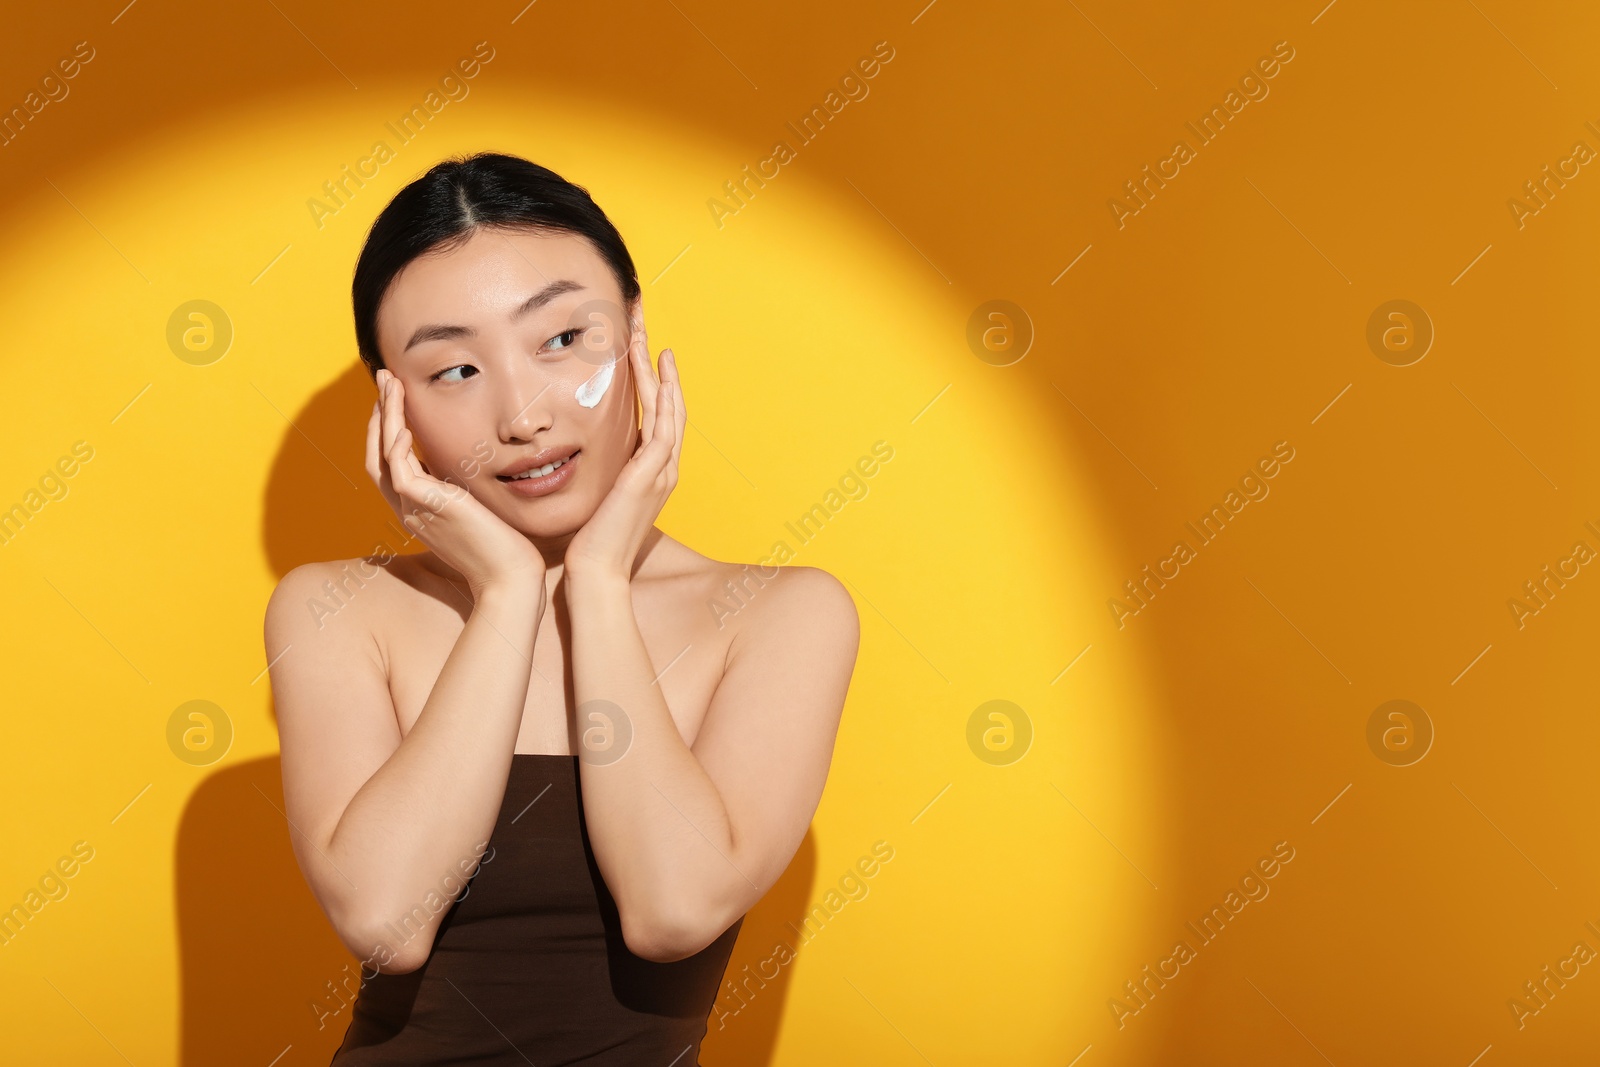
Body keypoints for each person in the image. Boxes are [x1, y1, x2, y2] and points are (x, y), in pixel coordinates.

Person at [262, 151, 860, 1064]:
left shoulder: (778, 615)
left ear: (632, 330)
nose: (524, 414)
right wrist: (505, 589)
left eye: (561, 340)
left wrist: (597, 582)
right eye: (455, 370)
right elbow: (387, 922)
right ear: (395, 405)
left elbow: (672, 910)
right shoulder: (338, 611)